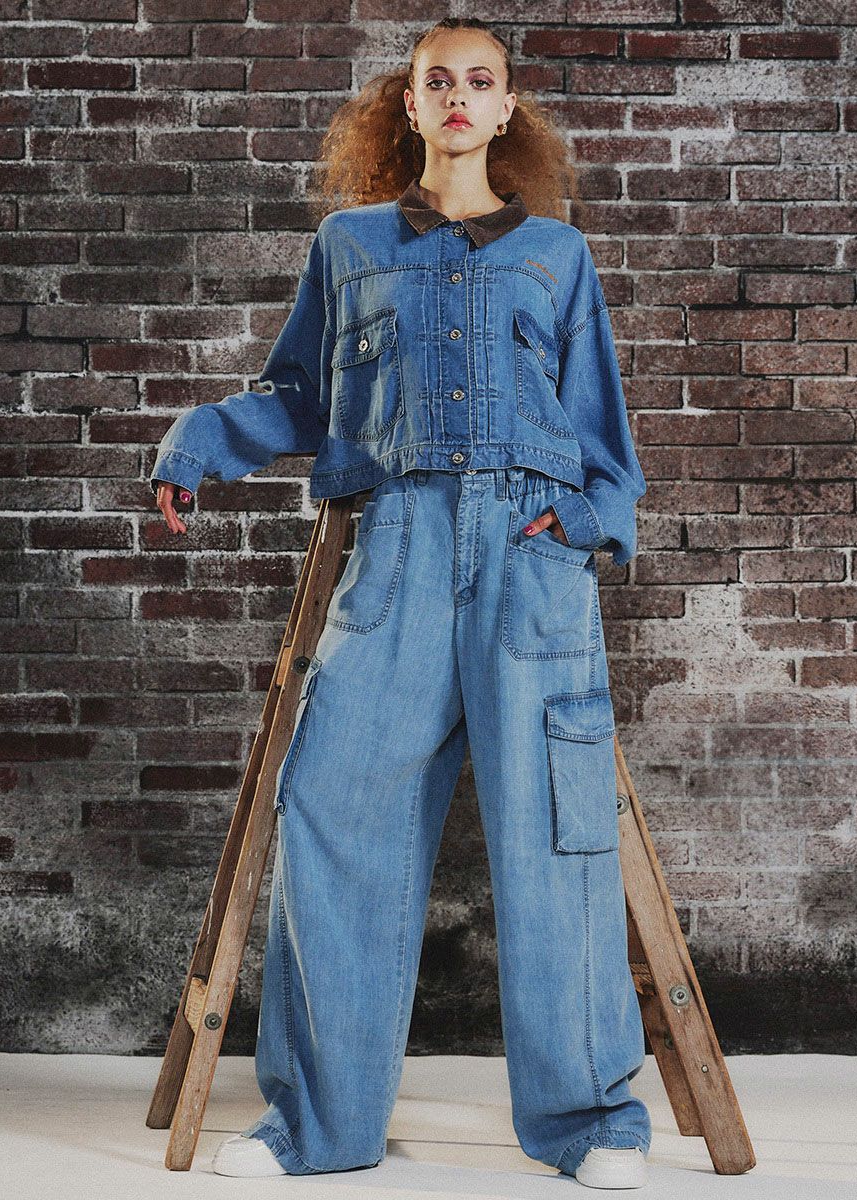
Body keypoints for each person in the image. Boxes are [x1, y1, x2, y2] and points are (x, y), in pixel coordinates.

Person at [150, 17, 650, 1191]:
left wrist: (584, 523)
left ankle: (589, 1121)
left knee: (556, 828)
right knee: (332, 807)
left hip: (529, 560)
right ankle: (319, 1125)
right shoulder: (351, 244)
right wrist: (198, 443)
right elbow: (299, 393)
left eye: (482, 80)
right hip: (399, 546)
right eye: (439, 81)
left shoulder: (557, 255)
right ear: (409, 105)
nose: (460, 96)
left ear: (508, 107)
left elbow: (601, 431)